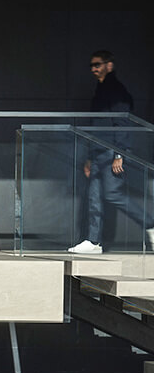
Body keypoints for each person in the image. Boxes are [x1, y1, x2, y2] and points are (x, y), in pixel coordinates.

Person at [68, 50, 154, 254]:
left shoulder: (116, 90)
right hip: (98, 152)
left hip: (110, 152)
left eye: (97, 64)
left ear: (109, 65)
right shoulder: (101, 90)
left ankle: (151, 224)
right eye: (92, 66)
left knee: (113, 193)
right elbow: (98, 125)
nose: (94, 69)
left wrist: (119, 154)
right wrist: (90, 157)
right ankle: (94, 241)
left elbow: (122, 123)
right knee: (94, 197)